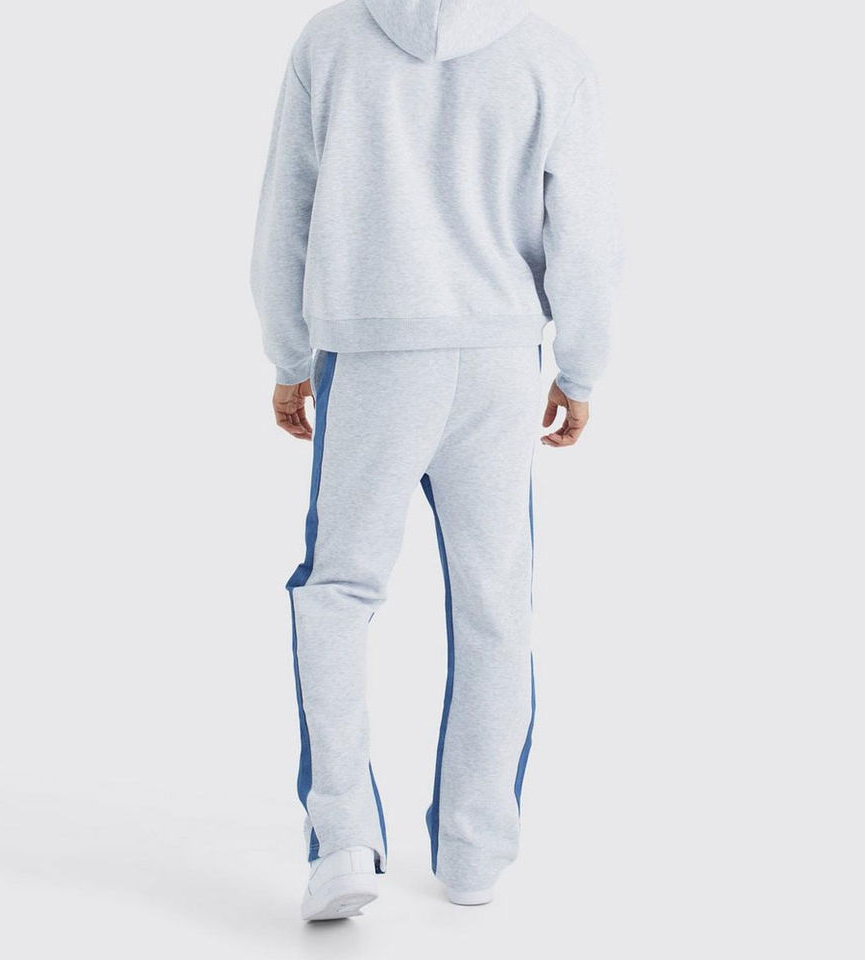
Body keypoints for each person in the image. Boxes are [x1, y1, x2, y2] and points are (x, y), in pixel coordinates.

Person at [251, 0, 621, 922]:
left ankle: (343, 841)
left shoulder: (332, 39)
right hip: (498, 355)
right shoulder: (547, 52)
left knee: (339, 592)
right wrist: (581, 367)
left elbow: (287, 207)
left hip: (373, 350)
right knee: (494, 601)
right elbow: (585, 229)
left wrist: (289, 355)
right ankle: (475, 854)